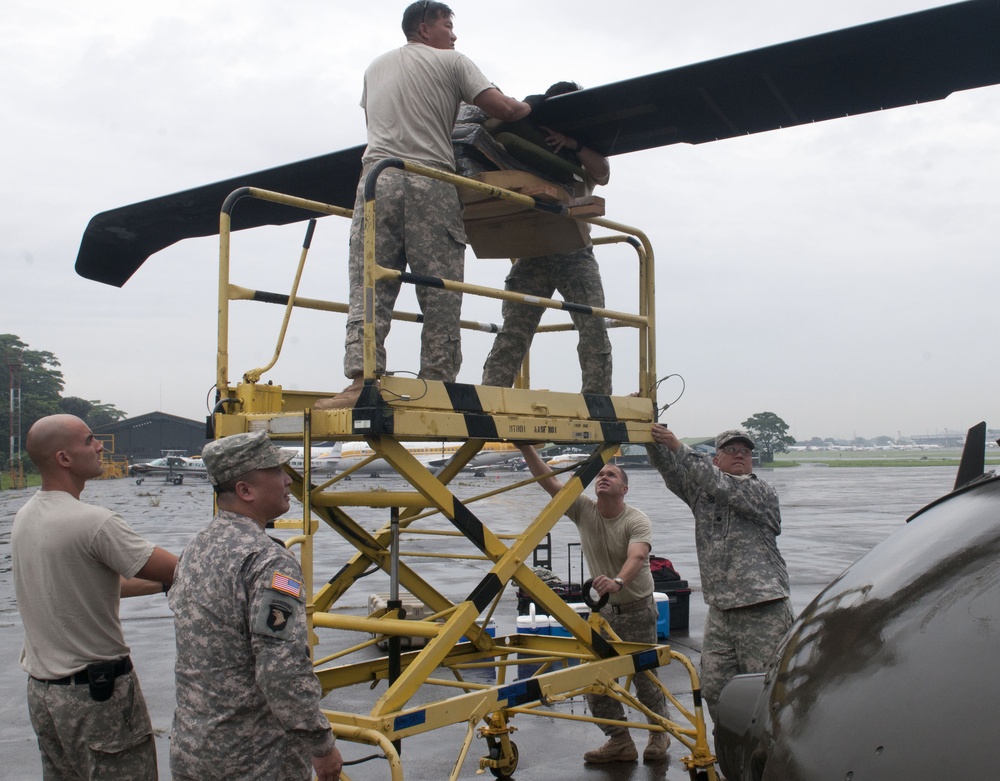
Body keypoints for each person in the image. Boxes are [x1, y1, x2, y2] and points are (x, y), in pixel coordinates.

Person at [317, 1, 534, 409]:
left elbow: (376, 126)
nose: (453, 35)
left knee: (370, 286)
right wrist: (530, 107)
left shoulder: (374, 67)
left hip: (376, 181)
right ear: (424, 28)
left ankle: (360, 383)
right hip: (429, 180)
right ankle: (435, 387)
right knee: (439, 289)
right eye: (448, 25)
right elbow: (502, 108)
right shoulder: (453, 62)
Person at [168, 431, 343, 781]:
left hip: (194, 748)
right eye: (276, 471)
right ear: (246, 490)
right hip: (254, 760)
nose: (287, 479)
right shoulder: (267, 560)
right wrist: (321, 745)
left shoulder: (198, 545)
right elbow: (281, 669)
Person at [11, 414, 178, 779]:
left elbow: (98, 582)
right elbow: (179, 569)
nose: (101, 446)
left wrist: (160, 585)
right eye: (89, 440)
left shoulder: (26, 516)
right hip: (96, 698)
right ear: (64, 458)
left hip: (45, 696)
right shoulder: (94, 522)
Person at [517, 444, 670, 764]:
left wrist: (618, 581)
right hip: (603, 612)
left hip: (637, 609)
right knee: (594, 679)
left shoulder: (636, 519)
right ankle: (620, 740)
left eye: (611, 474)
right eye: (600, 474)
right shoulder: (584, 509)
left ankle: (659, 732)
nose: (603, 477)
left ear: (624, 489)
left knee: (645, 678)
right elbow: (550, 483)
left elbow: (638, 555)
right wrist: (526, 448)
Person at [646, 425, 794, 726]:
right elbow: (670, 469)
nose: (740, 455)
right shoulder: (703, 493)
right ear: (716, 458)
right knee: (714, 689)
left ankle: (772, 759)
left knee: (768, 692)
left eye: (746, 452)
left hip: (762, 607)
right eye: (731, 450)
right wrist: (652, 432)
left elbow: (721, 486)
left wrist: (678, 445)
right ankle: (732, 754)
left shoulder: (760, 491)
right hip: (721, 611)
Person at [481, 82, 613, 395]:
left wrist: (572, 143)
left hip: (573, 248)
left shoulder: (581, 150)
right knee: (515, 326)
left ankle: (596, 397)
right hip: (533, 246)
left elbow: (603, 172)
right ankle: (491, 391)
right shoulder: (527, 137)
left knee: (592, 324)